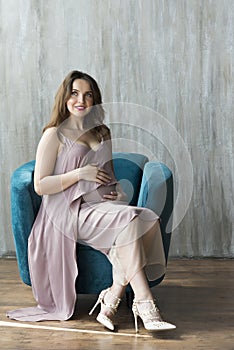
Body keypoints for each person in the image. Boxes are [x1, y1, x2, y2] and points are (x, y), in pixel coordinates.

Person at [7, 70, 176, 332]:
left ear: (95, 100)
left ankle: (113, 298)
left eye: (88, 94)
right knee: (132, 221)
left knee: (143, 220)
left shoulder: (102, 132)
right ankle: (144, 304)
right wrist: (78, 174)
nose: (81, 100)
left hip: (101, 207)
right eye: (74, 93)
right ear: (65, 98)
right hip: (66, 213)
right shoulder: (53, 134)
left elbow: (108, 176)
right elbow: (40, 185)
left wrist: (118, 192)